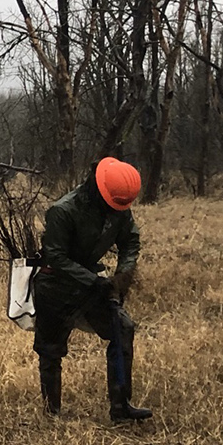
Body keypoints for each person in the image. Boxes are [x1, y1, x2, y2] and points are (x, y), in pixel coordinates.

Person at [33, 156, 152, 421]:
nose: (117, 210)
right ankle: (51, 413)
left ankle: (121, 407)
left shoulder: (119, 203)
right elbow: (56, 257)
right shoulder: (62, 210)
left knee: (123, 328)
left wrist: (123, 276)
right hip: (55, 287)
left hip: (92, 286)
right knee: (50, 350)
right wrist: (95, 281)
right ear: (98, 189)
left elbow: (130, 240)